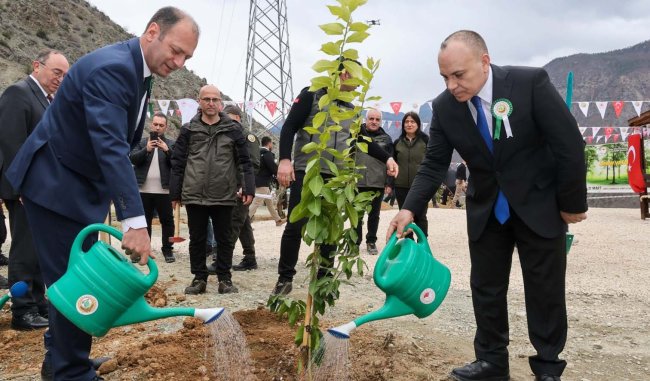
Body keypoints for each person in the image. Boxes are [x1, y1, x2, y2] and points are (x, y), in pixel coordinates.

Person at [5, 7, 199, 381]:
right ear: (152, 32)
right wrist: (135, 221)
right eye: (175, 51)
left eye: (186, 57)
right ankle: (68, 371)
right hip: (57, 185)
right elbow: (110, 147)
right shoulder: (113, 68)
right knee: (71, 281)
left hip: (76, 187)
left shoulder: (138, 70)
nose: (178, 62)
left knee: (78, 277)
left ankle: (64, 358)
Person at [387, 30, 587, 381]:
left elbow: (569, 142)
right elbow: (434, 163)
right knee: (486, 287)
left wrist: (572, 202)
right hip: (487, 209)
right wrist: (409, 208)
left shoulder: (530, 83)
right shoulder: (446, 107)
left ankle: (548, 366)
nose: (451, 85)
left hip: (539, 204)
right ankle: (492, 362)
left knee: (545, 289)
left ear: (484, 61)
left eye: (458, 75)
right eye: (445, 77)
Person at [274, 58, 399, 295]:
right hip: (307, 172)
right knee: (295, 225)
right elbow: (289, 127)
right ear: (343, 74)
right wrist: (284, 160)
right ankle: (284, 278)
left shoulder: (351, 109)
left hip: (336, 176)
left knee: (331, 228)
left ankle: (324, 280)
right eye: (357, 76)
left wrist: (387, 158)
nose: (359, 82)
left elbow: (361, 141)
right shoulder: (312, 94)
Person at [0, 49, 69, 331]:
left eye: (65, 75)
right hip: (24, 191)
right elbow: (10, 144)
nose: (61, 79)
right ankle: (22, 310)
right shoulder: (18, 93)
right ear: (37, 66)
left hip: (43, 192)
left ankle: (38, 302)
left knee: (40, 251)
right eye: (57, 72)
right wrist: (19, 188)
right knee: (24, 252)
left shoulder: (48, 100)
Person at [170, 85, 255, 295]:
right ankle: (199, 278)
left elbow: (245, 161)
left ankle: (225, 279)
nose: (210, 103)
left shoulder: (233, 130)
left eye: (214, 99)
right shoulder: (188, 130)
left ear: (220, 103)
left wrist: (248, 187)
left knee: (224, 239)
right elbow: (178, 161)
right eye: (206, 99)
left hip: (224, 194)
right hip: (194, 193)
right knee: (197, 239)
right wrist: (175, 193)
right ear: (199, 102)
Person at [210, 103, 259, 272]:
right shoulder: (227, 135)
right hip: (228, 186)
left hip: (240, 189)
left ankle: (222, 261)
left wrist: (244, 186)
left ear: (237, 118)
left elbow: (252, 163)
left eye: (229, 119)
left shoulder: (247, 136)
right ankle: (250, 258)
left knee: (232, 224)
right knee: (243, 223)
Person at [129, 112, 176, 263]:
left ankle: (168, 250)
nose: (158, 128)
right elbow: (133, 159)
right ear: (151, 125)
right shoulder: (142, 142)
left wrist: (167, 150)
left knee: (167, 222)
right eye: (155, 124)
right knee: (144, 222)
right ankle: (143, 250)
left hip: (165, 190)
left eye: (161, 125)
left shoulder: (171, 143)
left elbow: (177, 163)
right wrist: (147, 150)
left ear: (166, 127)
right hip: (142, 190)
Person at [355, 109, 393, 255]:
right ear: (366, 119)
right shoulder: (356, 136)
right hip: (357, 181)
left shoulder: (387, 139)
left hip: (377, 182)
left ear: (380, 121)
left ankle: (371, 241)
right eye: (371, 118)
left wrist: (389, 183)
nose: (374, 122)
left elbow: (391, 163)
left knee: (374, 215)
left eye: (377, 119)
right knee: (356, 214)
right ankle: (354, 242)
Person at [391, 111, 429, 235]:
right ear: (403, 125)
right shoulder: (397, 143)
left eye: (412, 121)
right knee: (404, 216)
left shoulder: (426, 140)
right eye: (406, 122)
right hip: (401, 185)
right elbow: (393, 164)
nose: (409, 124)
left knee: (420, 216)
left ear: (418, 124)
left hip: (420, 186)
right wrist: (390, 183)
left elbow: (431, 162)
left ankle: (422, 244)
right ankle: (409, 242)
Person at [249, 136, 286, 226]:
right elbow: (272, 167)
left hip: (255, 180)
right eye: (272, 143)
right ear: (269, 143)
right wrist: (279, 176)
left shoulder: (256, 153)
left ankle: (278, 220)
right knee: (256, 203)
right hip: (263, 182)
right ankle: (243, 222)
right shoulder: (267, 154)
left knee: (269, 203)